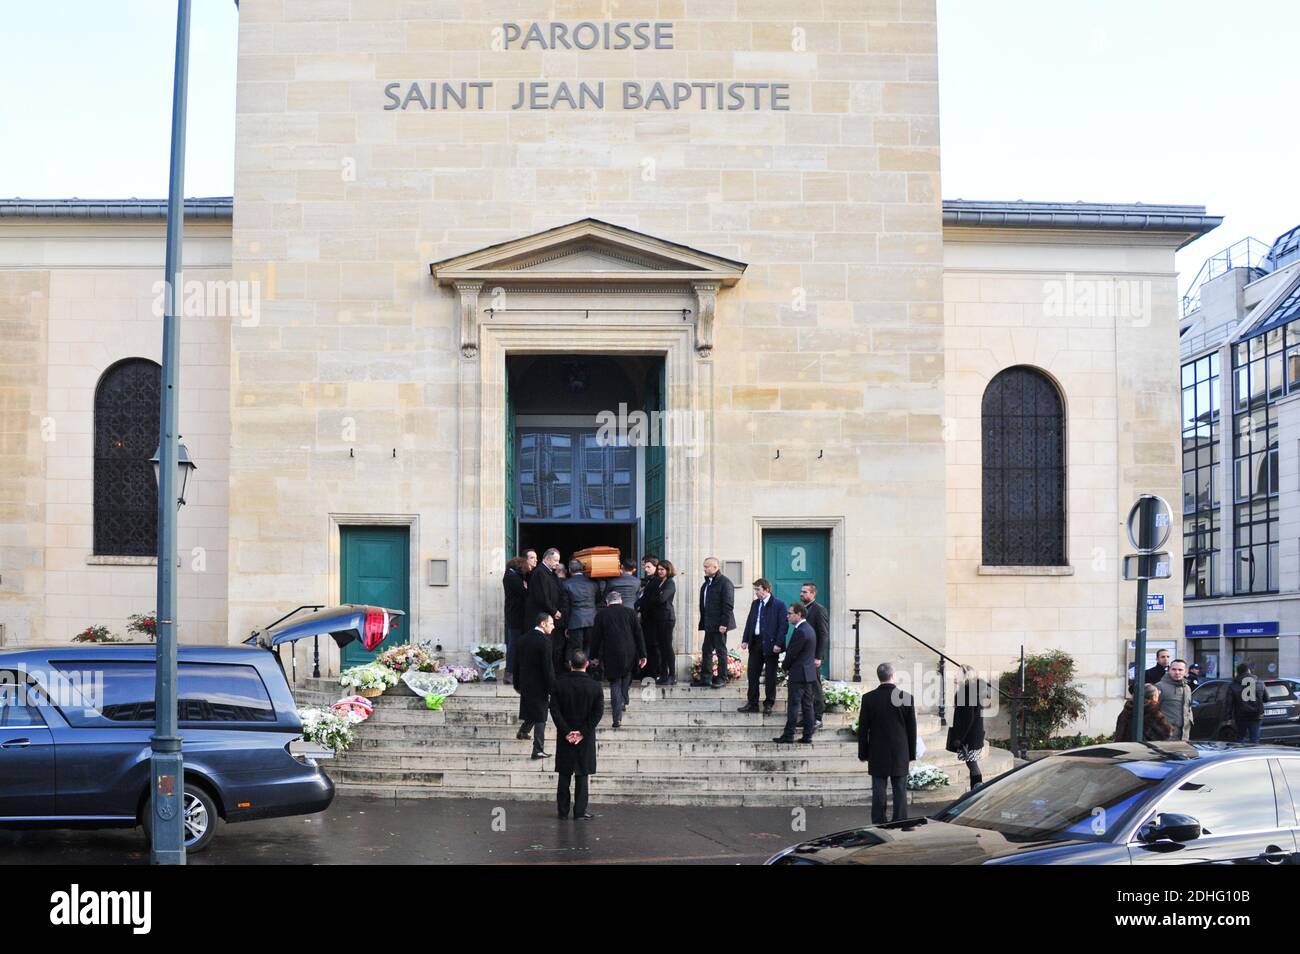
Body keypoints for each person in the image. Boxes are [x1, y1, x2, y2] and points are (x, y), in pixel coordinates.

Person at [857, 662, 917, 825]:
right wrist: (912, 753)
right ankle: (899, 820)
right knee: (899, 790)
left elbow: (863, 729)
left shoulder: (868, 698)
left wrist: (863, 753)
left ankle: (879, 821)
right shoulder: (906, 697)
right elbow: (912, 730)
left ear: (879, 677)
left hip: (877, 750)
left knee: (878, 790)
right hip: (900, 750)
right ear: (893, 676)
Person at [549, 649, 605, 820]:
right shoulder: (595, 687)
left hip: (565, 736)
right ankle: (580, 811)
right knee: (582, 774)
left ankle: (563, 810)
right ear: (586, 665)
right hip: (585, 737)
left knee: (564, 774)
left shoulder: (559, 684)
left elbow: (554, 710)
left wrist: (567, 732)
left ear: (570, 665)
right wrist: (582, 732)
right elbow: (597, 713)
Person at [587, 591, 647, 728]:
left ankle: (617, 718)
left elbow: (596, 638)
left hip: (611, 652)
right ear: (621, 601)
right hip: (629, 652)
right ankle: (623, 700)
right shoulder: (630, 613)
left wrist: (593, 656)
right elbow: (639, 635)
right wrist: (643, 654)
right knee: (626, 677)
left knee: (615, 683)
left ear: (608, 602)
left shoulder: (601, 615)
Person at [738, 579, 786, 714]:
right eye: (755, 590)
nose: (756, 592)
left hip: (771, 645)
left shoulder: (779, 605)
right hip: (756, 643)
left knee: (770, 675)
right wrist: (745, 639)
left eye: (758, 590)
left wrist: (778, 643)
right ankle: (752, 703)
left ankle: (769, 703)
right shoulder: (755, 604)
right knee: (752, 674)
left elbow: (783, 626)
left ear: (766, 590)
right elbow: (750, 622)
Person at [772, 602, 818, 744]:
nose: (788, 616)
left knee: (794, 705)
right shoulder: (808, 629)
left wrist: (784, 666)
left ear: (799, 614)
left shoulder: (801, 631)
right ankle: (807, 735)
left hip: (799, 674)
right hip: (808, 673)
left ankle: (789, 735)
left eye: (790, 613)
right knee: (807, 705)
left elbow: (792, 654)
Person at [514, 612, 556, 760]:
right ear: (543, 624)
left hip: (526, 683)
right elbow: (548, 668)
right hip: (540, 685)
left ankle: (523, 732)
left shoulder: (523, 639)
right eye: (551, 623)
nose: (553, 626)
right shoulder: (544, 641)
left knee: (533, 711)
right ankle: (538, 749)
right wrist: (552, 687)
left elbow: (516, 664)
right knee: (541, 717)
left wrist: (517, 684)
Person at [947, 665, 990, 789]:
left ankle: (978, 790)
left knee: (972, 764)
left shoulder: (965, 691)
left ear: (965, 676)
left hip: (969, 736)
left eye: (958, 673)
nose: (955, 676)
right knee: (971, 763)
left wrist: (959, 738)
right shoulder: (970, 690)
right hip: (973, 734)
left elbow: (967, 718)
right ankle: (975, 790)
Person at [696, 557, 736, 688]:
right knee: (706, 650)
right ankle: (706, 678)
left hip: (720, 624)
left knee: (720, 651)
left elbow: (728, 605)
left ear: (716, 567)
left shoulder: (725, 583)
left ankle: (722, 678)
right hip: (709, 623)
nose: (705, 569)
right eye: (704, 566)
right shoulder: (706, 583)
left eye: (707, 566)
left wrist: (724, 624)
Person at [525, 548, 563, 669]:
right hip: (541, 616)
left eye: (558, 561)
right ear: (547, 559)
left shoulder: (549, 572)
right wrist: (554, 611)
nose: (557, 563)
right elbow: (542, 596)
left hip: (548, 615)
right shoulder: (540, 572)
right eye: (555, 560)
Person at [800, 582, 829, 729]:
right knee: (806, 687)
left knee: (815, 686)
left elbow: (823, 635)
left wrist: (818, 656)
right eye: (801, 592)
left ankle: (817, 717)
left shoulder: (819, 610)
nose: (801, 594)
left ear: (813, 594)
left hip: (813, 657)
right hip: (803, 656)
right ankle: (807, 716)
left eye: (805, 592)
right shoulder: (803, 609)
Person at [561, 558, 598, 658]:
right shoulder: (593, 584)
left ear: (569, 570)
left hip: (575, 621)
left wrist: (566, 625)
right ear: (582, 569)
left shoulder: (566, 584)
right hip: (591, 620)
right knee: (589, 647)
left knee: (576, 649)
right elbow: (597, 601)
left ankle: (578, 671)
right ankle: (588, 670)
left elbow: (565, 607)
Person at [501, 556, 529, 685]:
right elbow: (524, 593)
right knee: (514, 645)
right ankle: (510, 672)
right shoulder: (512, 577)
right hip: (516, 617)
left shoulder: (511, 575)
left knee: (515, 644)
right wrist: (526, 587)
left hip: (514, 616)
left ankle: (513, 672)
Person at [650, 560, 678, 684]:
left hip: (667, 618)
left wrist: (654, 597)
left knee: (667, 647)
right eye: (659, 569)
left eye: (663, 569)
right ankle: (664, 674)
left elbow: (661, 599)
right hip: (658, 618)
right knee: (661, 647)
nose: (660, 571)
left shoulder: (670, 583)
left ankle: (672, 675)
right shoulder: (659, 582)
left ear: (668, 570)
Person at [1227, 663, 1269, 743]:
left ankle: (1240, 754)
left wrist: (1228, 718)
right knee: (1254, 738)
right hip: (1256, 715)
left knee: (1240, 737)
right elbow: (1267, 699)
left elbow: (1229, 703)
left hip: (1240, 716)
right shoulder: (1259, 683)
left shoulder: (1233, 685)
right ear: (1248, 671)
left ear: (1238, 672)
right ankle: (1253, 754)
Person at [635, 557, 661, 678]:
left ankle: (654, 672)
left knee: (653, 645)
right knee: (645, 644)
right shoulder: (645, 581)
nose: (646, 570)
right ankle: (645, 671)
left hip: (653, 618)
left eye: (648, 567)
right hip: (645, 618)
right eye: (645, 567)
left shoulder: (657, 581)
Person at [1155, 658, 1194, 741]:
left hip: (1184, 737)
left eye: (1180, 670)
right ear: (1169, 670)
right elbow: (1151, 711)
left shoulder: (1187, 688)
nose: (1177, 672)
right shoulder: (1159, 687)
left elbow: (1188, 709)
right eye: (1174, 669)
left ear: (1185, 671)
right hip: (1165, 737)